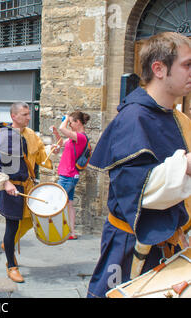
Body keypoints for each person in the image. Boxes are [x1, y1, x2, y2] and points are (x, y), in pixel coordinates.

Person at [87, 32, 191, 298]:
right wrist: (186, 166)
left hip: (168, 241)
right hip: (130, 246)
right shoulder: (133, 118)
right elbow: (138, 191)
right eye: (187, 64)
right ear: (159, 68)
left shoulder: (176, 117)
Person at [0, 102, 58, 283]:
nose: (28, 117)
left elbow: (40, 156)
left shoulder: (31, 135)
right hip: (11, 189)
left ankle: (9, 245)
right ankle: (11, 265)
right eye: (24, 114)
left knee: (31, 220)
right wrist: (6, 183)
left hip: (28, 187)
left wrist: (52, 150)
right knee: (12, 227)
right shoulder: (3, 136)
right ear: (13, 116)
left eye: (28, 114)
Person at [51, 111, 90, 240]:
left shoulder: (81, 137)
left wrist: (66, 118)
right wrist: (56, 133)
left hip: (68, 176)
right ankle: (72, 233)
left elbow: (63, 128)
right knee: (69, 204)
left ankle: (54, 230)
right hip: (70, 175)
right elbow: (62, 142)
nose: (70, 125)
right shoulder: (75, 137)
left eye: (71, 122)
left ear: (78, 122)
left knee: (56, 201)